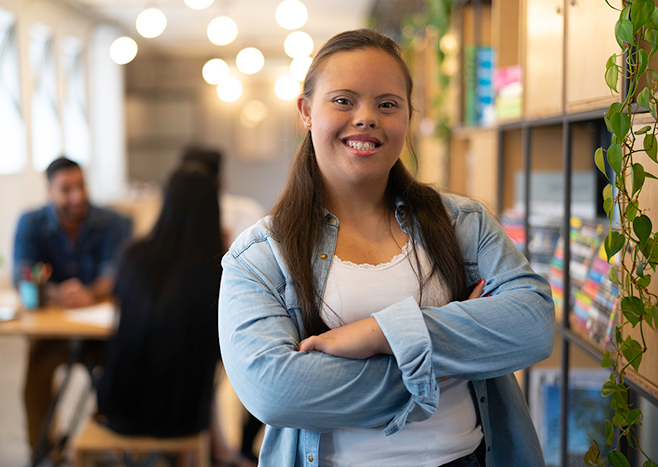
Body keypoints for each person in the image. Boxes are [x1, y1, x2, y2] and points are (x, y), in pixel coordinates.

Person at [218, 29, 555, 467]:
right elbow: (276, 391)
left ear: (407, 118)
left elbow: (533, 322)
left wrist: (377, 333)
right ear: (305, 111)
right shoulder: (260, 256)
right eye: (343, 100)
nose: (366, 117)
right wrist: (450, 360)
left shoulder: (463, 224)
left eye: (387, 104)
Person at [13, 156, 131, 455]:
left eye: (81, 186)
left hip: (101, 333)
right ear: (48, 192)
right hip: (53, 333)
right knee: (35, 376)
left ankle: (107, 443)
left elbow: (116, 272)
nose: (77, 196)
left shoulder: (113, 222)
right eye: (66, 189)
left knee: (122, 371)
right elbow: (20, 273)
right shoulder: (31, 223)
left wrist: (89, 292)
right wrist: (56, 293)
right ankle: (42, 451)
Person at [96, 167, 222, 441]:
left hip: (120, 408)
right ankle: (227, 450)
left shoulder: (132, 256)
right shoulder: (216, 271)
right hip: (181, 418)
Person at [181, 147, 264, 466]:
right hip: (204, 329)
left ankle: (237, 445)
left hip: (230, 324)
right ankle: (223, 449)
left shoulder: (241, 215)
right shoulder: (181, 220)